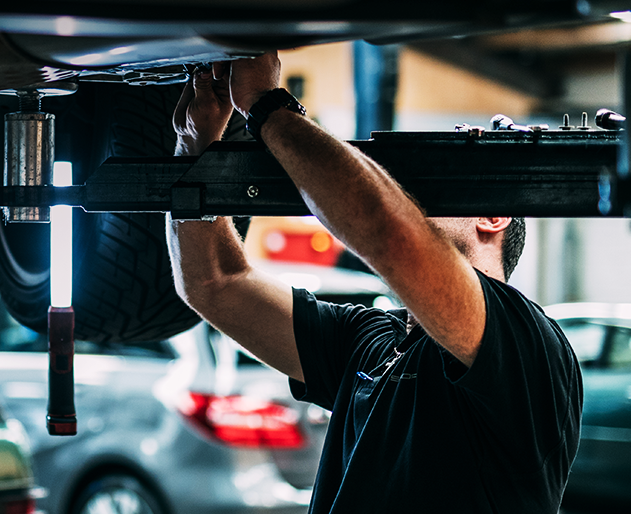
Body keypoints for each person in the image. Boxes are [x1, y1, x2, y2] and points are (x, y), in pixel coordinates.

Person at [167, 52, 582, 513]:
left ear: (492, 216)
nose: (409, 194)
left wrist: (266, 105)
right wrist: (195, 147)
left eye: (442, 185)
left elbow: (390, 234)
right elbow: (213, 283)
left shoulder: (524, 343)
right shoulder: (367, 342)